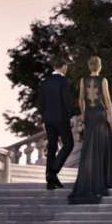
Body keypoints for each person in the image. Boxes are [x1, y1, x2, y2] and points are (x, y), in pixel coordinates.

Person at [68, 55, 112, 205]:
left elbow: (80, 99)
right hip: (100, 114)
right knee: (101, 146)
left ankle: (90, 179)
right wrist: (111, 115)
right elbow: (107, 99)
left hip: (89, 115)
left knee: (89, 147)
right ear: (100, 66)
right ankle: (103, 179)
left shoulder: (83, 80)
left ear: (90, 66)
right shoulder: (103, 80)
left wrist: (83, 114)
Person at [38, 55, 75, 191]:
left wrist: (43, 119)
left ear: (54, 67)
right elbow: (66, 99)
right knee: (69, 144)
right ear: (64, 66)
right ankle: (53, 172)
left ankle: (49, 181)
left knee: (52, 147)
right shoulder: (65, 81)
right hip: (61, 118)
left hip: (48, 119)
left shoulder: (45, 82)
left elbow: (42, 102)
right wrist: (72, 115)